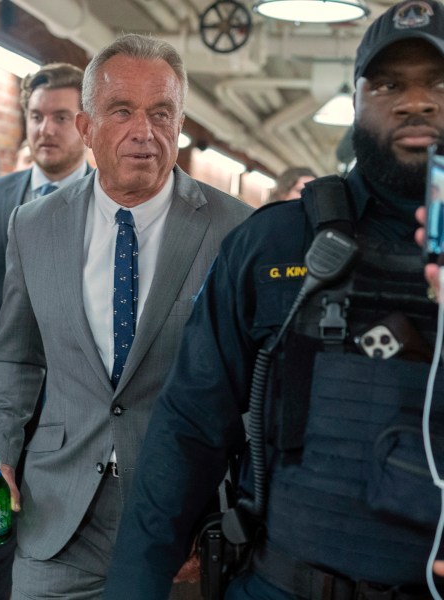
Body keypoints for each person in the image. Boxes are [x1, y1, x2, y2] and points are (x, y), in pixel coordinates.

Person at [103, 1, 444, 598]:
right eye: (388, 83)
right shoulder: (272, 243)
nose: (416, 101)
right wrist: (135, 584)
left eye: (439, 83)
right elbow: (189, 428)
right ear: (357, 100)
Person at [0, 33, 253, 599]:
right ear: (88, 126)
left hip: (182, 524)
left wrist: (232, 512)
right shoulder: (33, 226)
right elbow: (16, 359)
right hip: (57, 519)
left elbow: (252, 389)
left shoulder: (235, 231)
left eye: (161, 113)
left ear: (180, 122)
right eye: (122, 111)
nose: (144, 131)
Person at [0, 62, 92, 600]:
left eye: (61, 116)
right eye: (36, 116)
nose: (46, 129)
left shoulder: (108, 208)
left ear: (83, 124)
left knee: (61, 551)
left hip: (73, 416)